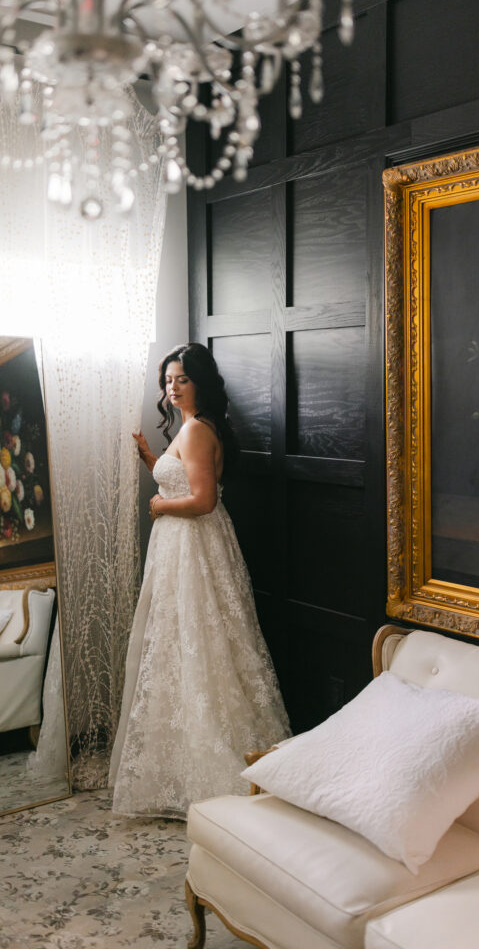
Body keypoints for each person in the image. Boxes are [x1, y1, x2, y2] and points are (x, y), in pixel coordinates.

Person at [109, 342, 291, 818]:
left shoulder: (195, 432)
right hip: (189, 547)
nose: (172, 387)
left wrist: (157, 507)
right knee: (191, 646)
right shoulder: (194, 429)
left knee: (197, 644)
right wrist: (152, 459)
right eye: (168, 380)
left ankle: (214, 763)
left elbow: (203, 501)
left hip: (192, 544)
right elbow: (182, 482)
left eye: (182, 380)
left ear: (200, 384)